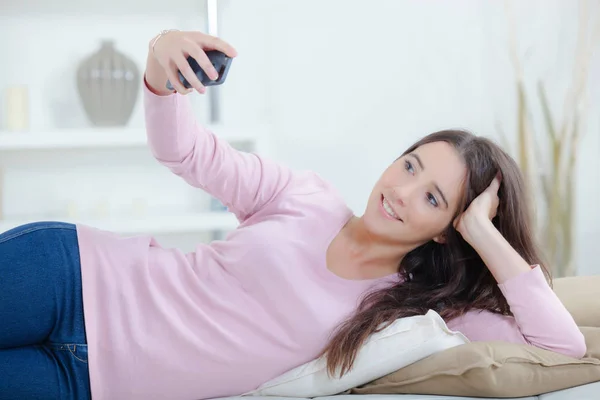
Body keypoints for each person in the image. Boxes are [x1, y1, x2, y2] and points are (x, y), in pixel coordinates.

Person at [0, 29, 585, 400]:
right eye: (410, 166)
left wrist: (483, 230)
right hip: (70, 280)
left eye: (434, 198)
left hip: (85, 383)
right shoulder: (304, 196)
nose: (403, 192)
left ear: (448, 231)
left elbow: (559, 347)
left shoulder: (413, 314)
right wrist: (160, 70)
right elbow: (185, 151)